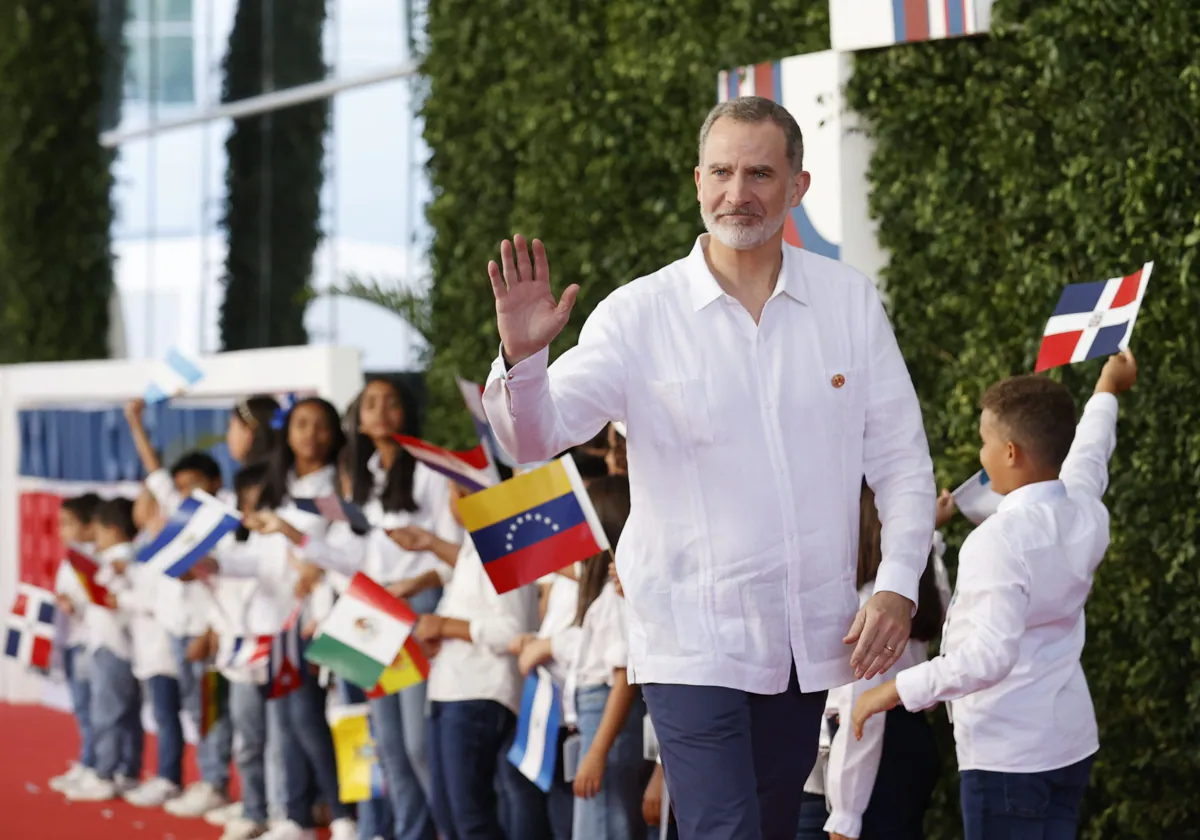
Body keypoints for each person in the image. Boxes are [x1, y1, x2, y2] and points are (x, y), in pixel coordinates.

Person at [480, 94, 936, 839]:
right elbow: (534, 438)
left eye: (760, 172)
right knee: (724, 828)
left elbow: (903, 465)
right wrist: (525, 360)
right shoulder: (638, 315)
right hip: (687, 637)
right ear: (697, 181)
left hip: (805, 644)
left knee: (768, 823)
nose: (738, 192)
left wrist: (895, 590)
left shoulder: (848, 303)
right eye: (722, 171)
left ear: (798, 187)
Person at [852, 350, 1138, 839]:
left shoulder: (997, 537)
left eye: (984, 442)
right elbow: (1091, 453)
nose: (979, 455)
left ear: (1010, 453)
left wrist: (894, 690)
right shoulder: (1085, 507)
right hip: (1068, 745)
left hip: (1007, 757)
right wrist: (1107, 391)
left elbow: (988, 657)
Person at [797, 484, 954, 840]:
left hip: (867, 755)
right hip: (910, 739)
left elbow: (863, 714)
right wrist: (926, 527)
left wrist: (845, 817)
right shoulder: (919, 588)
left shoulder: (871, 605)